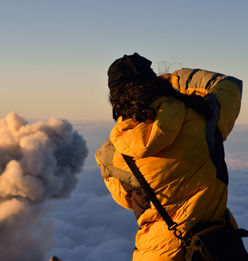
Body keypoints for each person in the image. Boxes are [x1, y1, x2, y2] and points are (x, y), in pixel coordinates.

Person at [95, 53, 243, 260]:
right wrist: (174, 78)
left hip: (158, 253)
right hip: (216, 246)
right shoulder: (203, 118)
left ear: (116, 101)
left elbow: (126, 200)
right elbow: (229, 85)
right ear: (155, 83)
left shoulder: (111, 156)